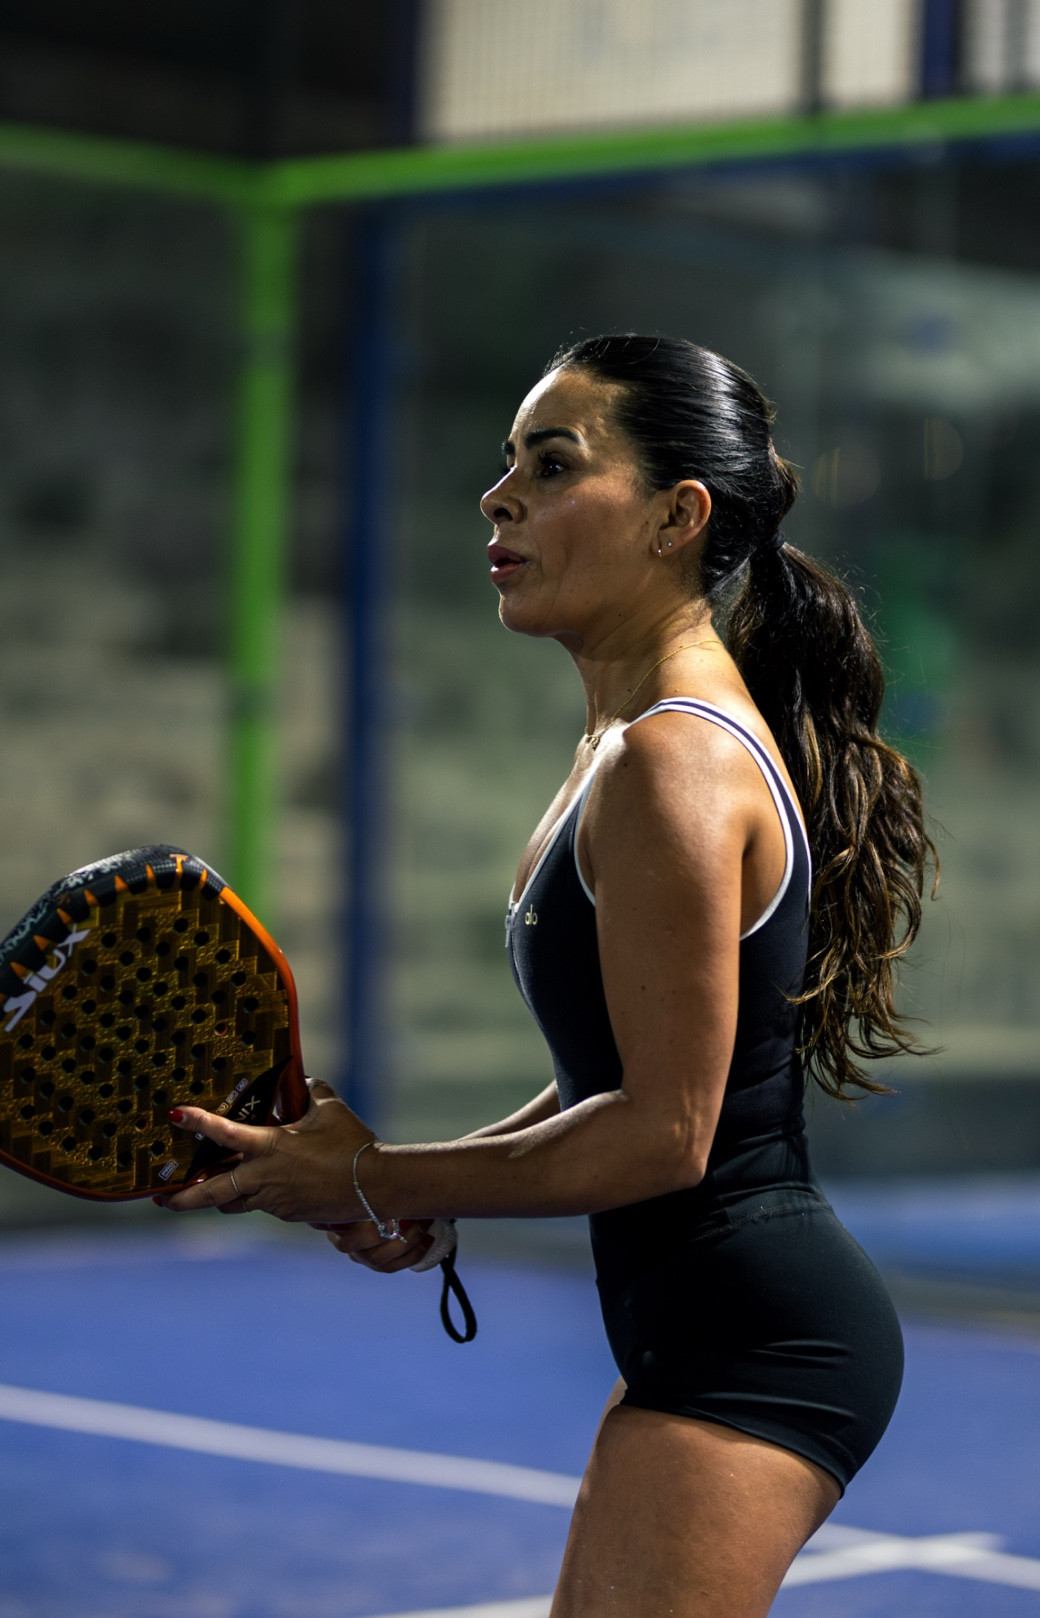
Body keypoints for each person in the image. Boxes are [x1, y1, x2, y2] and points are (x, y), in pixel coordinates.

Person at [162, 333, 936, 1617]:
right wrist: (420, 1177)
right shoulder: (625, 747)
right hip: (705, 1327)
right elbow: (609, 1073)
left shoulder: (672, 761)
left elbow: (665, 1133)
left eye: (554, 464)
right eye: (509, 460)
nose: (499, 495)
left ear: (677, 518)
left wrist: (370, 1174)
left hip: (758, 1342)